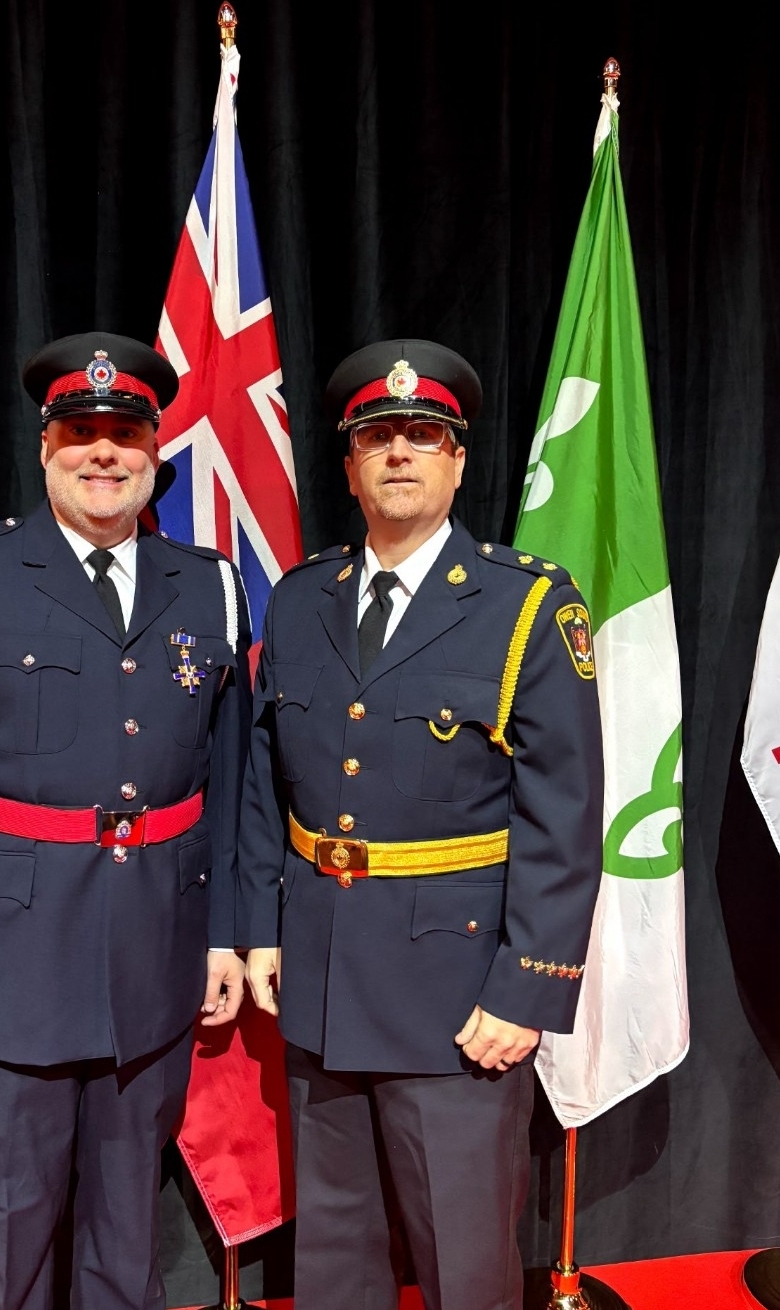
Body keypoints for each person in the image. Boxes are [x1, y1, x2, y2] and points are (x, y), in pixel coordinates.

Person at [0, 332, 251, 1310]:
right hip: (12, 967)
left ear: (154, 448)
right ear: (46, 446)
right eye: (80, 431)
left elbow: (228, 777)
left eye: (124, 431)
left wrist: (223, 935)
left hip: (155, 961)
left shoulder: (206, 584)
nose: (103, 451)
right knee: (10, 1244)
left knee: (127, 1243)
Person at [238, 339, 604, 1310]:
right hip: (321, 982)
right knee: (333, 1261)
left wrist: (526, 988)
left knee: (463, 1266)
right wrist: (263, 926)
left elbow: (565, 815)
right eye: (378, 435)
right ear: (348, 463)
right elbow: (265, 779)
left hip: (457, 998)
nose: (399, 450)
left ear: (456, 459)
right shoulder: (300, 597)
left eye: (423, 434)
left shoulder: (526, 603)